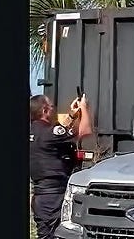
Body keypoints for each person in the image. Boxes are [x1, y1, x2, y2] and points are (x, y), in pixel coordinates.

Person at [30, 93, 94, 239]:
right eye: (52, 107)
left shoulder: (34, 130)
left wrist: (72, 115)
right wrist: (84, 108)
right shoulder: (49, 132)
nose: (55, 110)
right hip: (54, 196)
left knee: (46, 234)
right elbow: (85, 131)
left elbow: (59, 134)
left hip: (41, 196)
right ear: (45, 111)